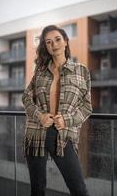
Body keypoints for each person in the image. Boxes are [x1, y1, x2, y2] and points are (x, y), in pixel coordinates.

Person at [22, 25, 92, 196]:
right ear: (46, 46)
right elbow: (26, 98)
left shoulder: (81, 71)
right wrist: (40, 116)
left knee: (79, 189)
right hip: (36, 133)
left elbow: (86, 106)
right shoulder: (39, 71)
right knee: (37, 189)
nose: (54, 44)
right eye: (48, 42)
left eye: (58, 39)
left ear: (66, 41)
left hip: (63, 135)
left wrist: (67, 119)